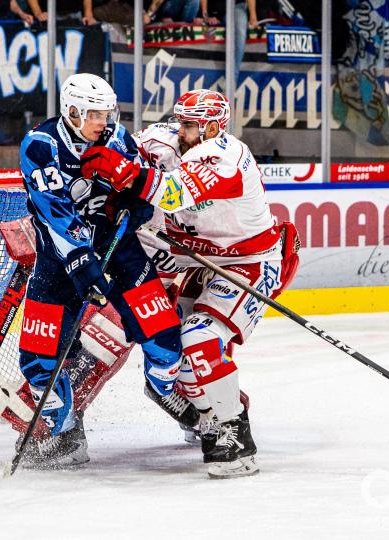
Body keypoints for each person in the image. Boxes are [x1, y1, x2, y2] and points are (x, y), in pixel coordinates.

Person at [81, 89, 300, 478]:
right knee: (172, 349)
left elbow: (172, 193)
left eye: (190, 125)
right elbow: (125, 146)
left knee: (200, 339)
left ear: (214, 127)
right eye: (180, 122)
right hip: (197, 259)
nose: (181, 131)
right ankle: (207, 418)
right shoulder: (166, 140)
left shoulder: (225, 156)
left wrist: (125, 174)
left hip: (246, 263)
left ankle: (237, 433)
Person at [16, 73, 182, 467]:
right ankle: (64, 429)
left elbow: (143, 184)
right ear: (71, 112)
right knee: (38, 360)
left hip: (119, 250)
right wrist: (78, 258)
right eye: (94, 114)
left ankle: (166, 391)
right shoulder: (41, 145)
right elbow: (53, 209)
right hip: (59, 261)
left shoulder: (119, 139)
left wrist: (139, 199)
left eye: (107, 113)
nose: (103, 121)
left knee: (164, 334)